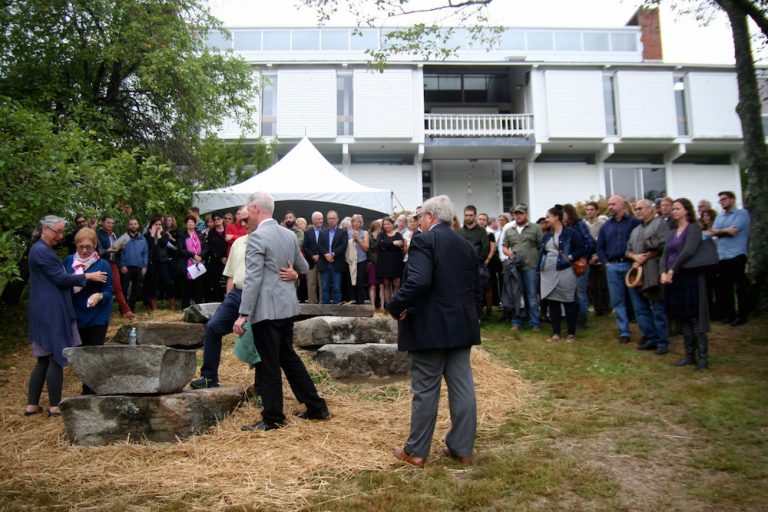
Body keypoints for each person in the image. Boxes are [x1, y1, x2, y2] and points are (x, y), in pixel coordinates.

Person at [386, 195, 481, 467]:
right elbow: (476, 289)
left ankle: (416, 451)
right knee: (462, 388)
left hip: (430, 327)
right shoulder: (465, 244)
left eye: (419, 217)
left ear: (429, 217)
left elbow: (418, 281)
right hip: (461, 325)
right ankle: (463, 448)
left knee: (426, 389)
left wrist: (395, 305)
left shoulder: (424, 240)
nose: (418, 222)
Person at [235, 191, 329, 431]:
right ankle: (316, 407)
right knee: (288, 357)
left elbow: (253, 279)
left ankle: (273, 418)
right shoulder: (288, 235)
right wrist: (295, 275)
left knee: (268, 363)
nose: (247, 217)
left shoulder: (257, 238)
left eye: (249, 211)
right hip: (286, 309)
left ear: (256, 209)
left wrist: (244, 313)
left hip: (266, 311)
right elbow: (304, 266)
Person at [191, 214, 299, 389]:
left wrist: (293, 275)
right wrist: (229, 298)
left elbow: (291, 267)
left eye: (246, 219)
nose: (243, 223)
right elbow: (232, 275)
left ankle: (262, 389)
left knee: (261, 339)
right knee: (213, 327)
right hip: (237, 294)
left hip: (261, 296)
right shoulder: (238, 243)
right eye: (241, 220)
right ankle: (209, 377)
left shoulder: (270, 240)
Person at [25, 216, 107, 417]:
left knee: (43, 359)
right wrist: (87, 276)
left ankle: (32, 405)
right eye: (58, 232)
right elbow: (60, 278)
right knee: (56, 356)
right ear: (45, 230)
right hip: (51, 309)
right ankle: (54, 406)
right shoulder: (42, 251)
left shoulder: (40, 250)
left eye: (62, 232)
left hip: (43, 307)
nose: (61, 237)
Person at [661, 198, 712, 370]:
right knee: (682, 315)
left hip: (689, 276)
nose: (674, 211)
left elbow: (688, 251)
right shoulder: (671, 232)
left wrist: (672, 270)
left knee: (694, 316)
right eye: (673, 209)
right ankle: (689, 355)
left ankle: (703, 358)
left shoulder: (694, 228)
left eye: (677, 208)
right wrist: (663, 272)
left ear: (686, 210)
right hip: (673, 278)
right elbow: (665, 255)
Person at [64, 228, 113, 394]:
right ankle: (86, 384)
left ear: (95, 246)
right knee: (81, 354)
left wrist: (99, 296)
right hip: (76, 314)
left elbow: (108, 290)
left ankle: (91, 389)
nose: (84, 251)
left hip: (97, 315)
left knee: (94, 353)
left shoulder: (102, 264)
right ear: (76, 246)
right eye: (81, 247)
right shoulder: (69, 262)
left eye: (88, 247)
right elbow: (63, 285)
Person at [626, 199, 670, 354]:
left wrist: (647, 255)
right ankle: (650, 338)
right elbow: (628, 250)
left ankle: (662, 341)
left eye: (640, 208)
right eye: (636, 209)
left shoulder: (660, 224)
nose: (637, 211)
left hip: (654, 270)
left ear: (651, 209)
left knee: (657, 307)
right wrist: (634, 256)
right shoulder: (635, 230)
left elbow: (665, 246)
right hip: (637, 273)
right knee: (640, 308)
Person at [597, 196, 641, 344]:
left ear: (622, 205)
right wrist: (606, 263)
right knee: (618, 301)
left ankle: (646, 331)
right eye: (608, 204)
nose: (610, 207)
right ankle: (624, 331)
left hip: (631, 265)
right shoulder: (605, 227)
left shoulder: (634, 223)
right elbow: (600, 248)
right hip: (613, 266)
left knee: (637, 299)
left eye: (613, 204)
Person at [539, 205, 585, 343]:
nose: (546, 219)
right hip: (548, 272)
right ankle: (556, 332)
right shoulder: (547, 235)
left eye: (548, 216)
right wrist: (539, 268)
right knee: (552, 301)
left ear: (556, 217)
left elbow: (581, 249)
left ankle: (571, 333)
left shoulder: (571, 233)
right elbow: (543, 253)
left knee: (568, 301)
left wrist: (570, 257)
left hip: (565, 270)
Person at [710, 190, 751, 326]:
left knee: (740, 287)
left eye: (724, 199)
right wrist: (725, 230)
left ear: (732, 199)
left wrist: (722, 231)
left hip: (737, 254)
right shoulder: (720, 216)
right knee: (724, 288)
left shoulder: (742, 214)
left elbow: (734, 232)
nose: (721, 202)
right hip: (723, 256)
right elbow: (712, 232)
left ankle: (742, 315)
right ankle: (729, 314)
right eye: (720, 200)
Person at [502, 205, 543, 332]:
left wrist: (539, 263)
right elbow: (504, 247)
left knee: (531, 295)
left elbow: (541, 246)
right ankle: (517, 322)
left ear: (526, 214)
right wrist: (510, 254)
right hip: (515, 268)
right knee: (516, 294)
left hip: (530, 266)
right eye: (516, 214)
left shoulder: (535, 228)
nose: (518, 216)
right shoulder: (510, 230)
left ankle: (535, 322)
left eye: (521, 213)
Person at [563, 204, 595, 328]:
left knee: (581, 293)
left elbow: (590, 243)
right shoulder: (567, 227)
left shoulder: (579, 225)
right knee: (573, 292)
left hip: (580, 263)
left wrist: (584, 257)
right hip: (570, 264)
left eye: (563, 213)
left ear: (569, 213)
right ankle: (574, 318)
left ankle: (582, 321)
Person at [96, 215, 133, 318]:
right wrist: (108, 250)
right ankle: (101, 312)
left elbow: (116, 250)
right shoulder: (98, 234)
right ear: (103, 223)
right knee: (101, 287)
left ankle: (126, 310)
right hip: (101, 263)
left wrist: (121, 246)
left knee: (117, 287)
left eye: (112, 223)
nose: (110, 225)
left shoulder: (114, 234)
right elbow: (98, 251)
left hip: (113, 263)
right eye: (108, 222)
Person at [584, 201, 611, 317]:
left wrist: (598, 256)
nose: (590, 212)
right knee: (592, 286)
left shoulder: (602, 225)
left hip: (601, 259)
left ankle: (606, 308)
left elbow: (605, 242)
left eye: (592, 209)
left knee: (603, 285)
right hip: (589, 260)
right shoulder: (584, 225)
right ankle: (597, 308)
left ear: (597, 211)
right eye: (588, 210)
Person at [143, 215, 174, 312]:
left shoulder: (164, 234)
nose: (158, 226)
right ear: (152, 225)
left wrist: (159, 234)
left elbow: (162, 244)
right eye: (156, 224)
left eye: (160, 224)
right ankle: (154, 307)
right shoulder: (147, 236)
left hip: (163, 261)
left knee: (167, 282)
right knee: (152, 283)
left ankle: (172, 305)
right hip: (152, 262)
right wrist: (152, 234)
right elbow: (148, 246)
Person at [177, 214, 208, 309]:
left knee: (198, 286)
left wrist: (200, 256)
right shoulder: (182, 234)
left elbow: (206, 248)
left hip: (198, 263)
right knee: (186, 287)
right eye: (188, 222)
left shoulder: (199, 234)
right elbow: (180, 249)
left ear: (195, 224)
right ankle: (186, 306)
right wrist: (192, 255)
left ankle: (198, 307)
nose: (190, 224)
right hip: (187, 263)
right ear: (186, 224)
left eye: (192, 222)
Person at [119, 217, 148, 313]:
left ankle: (131, 308)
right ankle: (123, 309)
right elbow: (120, 253)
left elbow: (145, 253)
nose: (133, 226)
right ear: (128, 226)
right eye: (131, 224)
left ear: (138, 225)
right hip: (126, 267)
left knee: (136, 288)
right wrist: (122, 265)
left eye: (135, 224)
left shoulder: (143, 239)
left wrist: (144, 266)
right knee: (124, 288)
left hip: (139, 267)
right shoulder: (124, 238)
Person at [317, 210, 346, 304]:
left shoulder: (342, 232)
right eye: (329, 218)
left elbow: (343, 246)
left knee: (337, 288)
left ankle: (337, 310)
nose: (331, 220)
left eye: (333, 218)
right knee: (325, 288)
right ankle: (326, 310)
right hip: (324, 263)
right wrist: (326, 254)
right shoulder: (323, 232)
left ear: (337, 219)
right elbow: (319, 246)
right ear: (327, 220)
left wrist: (333, 254)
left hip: (336, 263)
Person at [376, 217, 405, 307]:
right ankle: (388, 305)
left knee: (397, 282)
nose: (386, 226)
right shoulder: (380, 235)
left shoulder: (398, 235)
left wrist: (386, 245)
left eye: (388, 224)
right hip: (384, 263)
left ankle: (395, 305)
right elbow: (380, 244)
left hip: (396, 262)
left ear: (392, 224)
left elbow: (400, 244)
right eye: (384, 224)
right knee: (386, 283)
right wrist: (392, 243)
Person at [476, 212, 500, 318]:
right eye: (480, 219)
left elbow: (493, 248)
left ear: (487, 221)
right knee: (477, 287)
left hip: (488, 263)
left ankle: (489, 309)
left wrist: (487, 260)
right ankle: (479, 309)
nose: (481, 221)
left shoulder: (490, 234)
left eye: (484, 219)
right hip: (476, 263)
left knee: (488, 287)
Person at [303, 211, 324, 304]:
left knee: (322, 284)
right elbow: (305, 246)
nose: (320, 220)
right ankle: (312, 305)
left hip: (323, 262)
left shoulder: (325, 231)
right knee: (311, 284)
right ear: (313, 220)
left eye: (321, 218)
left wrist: (321, 255)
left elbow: (327, 246)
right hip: (311, 263)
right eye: (318, 219)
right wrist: (312, 256)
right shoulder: (307, 232)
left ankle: (322, 304)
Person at [348, 214, 370, 304]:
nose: (356, 223)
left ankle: (361, 303)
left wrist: (358, 240)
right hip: (350, 260)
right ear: (352, 222)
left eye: (358, 222)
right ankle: (351, 303)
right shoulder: (347, 232)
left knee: (360, 283)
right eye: (354, 221)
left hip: (361, 260)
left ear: (361, 223)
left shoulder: (365, 233)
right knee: (351, 283)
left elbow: (366, 248)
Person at [206, 213, 228, 302]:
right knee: (216, 283)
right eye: (214, 219)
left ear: (222, 219)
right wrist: (221, 257)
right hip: (216, 261)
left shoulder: (228, 229)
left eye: (218, 219)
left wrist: (227, 257)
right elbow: (211, 248)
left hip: (229, 259)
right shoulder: (211, 232)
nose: (216, 221)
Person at [367, 219, 383, 309]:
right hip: (373, 262)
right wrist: (376, 260)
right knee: (372, 284)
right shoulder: (369, 236)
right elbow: (369, 252)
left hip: (381, 262)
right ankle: (372, 305)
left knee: (382, 285)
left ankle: (382, 305)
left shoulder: (382, 236)